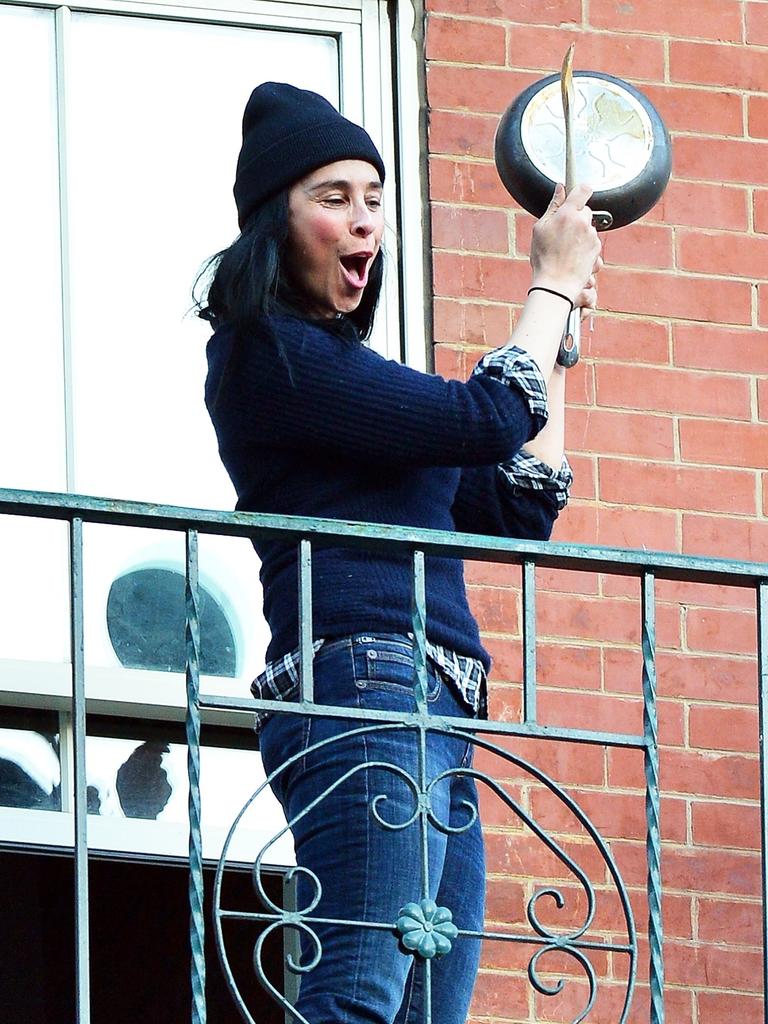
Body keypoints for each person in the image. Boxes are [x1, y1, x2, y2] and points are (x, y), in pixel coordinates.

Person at [200, 82, 601, 1024]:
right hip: (365, 686)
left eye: (374, 199)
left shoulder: (357, 382)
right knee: (359, 992)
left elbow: (515, 506)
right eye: (332, 198)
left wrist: (562, 348)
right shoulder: (268, 356)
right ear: (273, 221)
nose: (363, 223)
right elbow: (488, 414)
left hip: (429, 707)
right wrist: (542, 289)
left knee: (427, 1011)